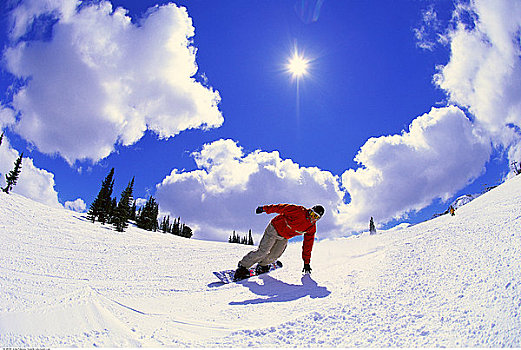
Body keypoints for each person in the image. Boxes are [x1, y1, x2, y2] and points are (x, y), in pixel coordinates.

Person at [234, 203, 325, 280]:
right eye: (312, 214)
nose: (312, 218)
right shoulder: (298, 211)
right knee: (263, 251)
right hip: (274, 229)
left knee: (275, 255)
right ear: (310, 210)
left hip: (284, 237)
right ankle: (243, 266)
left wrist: (306, 263)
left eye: (316, 217)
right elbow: (280, 207)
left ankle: (263, 265)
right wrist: (264, 209)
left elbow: (307, 245)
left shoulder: (311, 228)